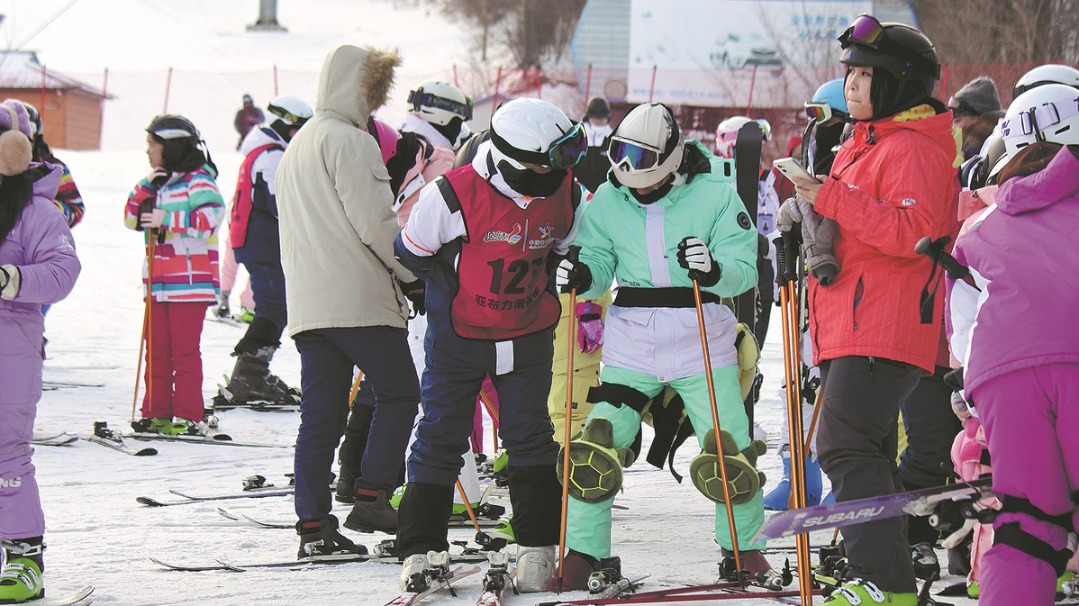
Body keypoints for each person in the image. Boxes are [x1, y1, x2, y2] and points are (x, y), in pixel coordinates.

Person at [785, 15, 959, 605]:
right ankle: (890, 581)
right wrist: (807, 214)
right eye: (851, 72)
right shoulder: (867, 143)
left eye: (867, 74)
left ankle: (883, 583)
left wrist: (827, 195)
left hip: (883, 325)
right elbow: (847, 219)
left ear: (900, 84)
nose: (853, 85)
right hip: (850, 322)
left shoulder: (912, 149)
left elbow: (916, 232)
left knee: (843, 444)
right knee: (869, 450)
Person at [556, 102, 767, 587]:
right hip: (632, 344)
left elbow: (744, 267)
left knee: (727, 447)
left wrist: (713, 269)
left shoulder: (714, 192)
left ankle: (742, 546)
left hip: (700, 339)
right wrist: (582, 274)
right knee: (599, 442)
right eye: (621, 156)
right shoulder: (609, 200)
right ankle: (585, 552)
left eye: (642, 159)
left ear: (670, 159)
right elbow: (598, 258)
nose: (630, 173)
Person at [393, 97, 587, 592]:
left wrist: (572, 270)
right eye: (552, 160)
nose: (561, 172)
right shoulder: (452, 195)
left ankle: (538, 545)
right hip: (461, 334)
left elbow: (570, 247)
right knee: (440, 432)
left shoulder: (568, 190)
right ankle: (421, 548)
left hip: (528, 333)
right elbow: (411, 252)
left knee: (529, 434)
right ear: (517, 159)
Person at [276, 45, 422, 557]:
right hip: (358, 298)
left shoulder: (298, 144)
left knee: (319, 417)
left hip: (310, 305)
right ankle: (373, 494)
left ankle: (312, 527)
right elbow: (378, 225)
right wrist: (413, 276)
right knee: (401, 392)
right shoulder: (351, 142)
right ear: (367, 89)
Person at [946, 83, 1079, 606]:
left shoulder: (980, 225)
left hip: (1006, 374)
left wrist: (973, 399)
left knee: (1027, 526)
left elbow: (965, 327)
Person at [0, 98, 81, 604]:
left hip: (11, 343)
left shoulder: (37, 210)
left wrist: (11, 279)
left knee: (6, 451)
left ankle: (24, 556)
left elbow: (62, 271)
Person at [764, 78, 852, 512]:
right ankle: (798, 475)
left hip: (844, 291)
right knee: (795, 384)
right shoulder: (815, 154)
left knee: (834, 388)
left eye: (821, 115)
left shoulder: (856, 159)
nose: (814, 126)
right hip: (807, 290)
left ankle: (840, 477)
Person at [123, 114, 224, 436]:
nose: (148, 150)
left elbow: (210, 217)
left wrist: (166, 218)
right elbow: (130, 217)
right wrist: (146, 185)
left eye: (153, 144)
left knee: (183, 351)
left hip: (190, 284)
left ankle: (188, 413)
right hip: (158, 283)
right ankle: (157, 412)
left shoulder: (200, 180)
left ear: (172, 145)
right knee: (156, 351)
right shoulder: (158, 181)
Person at [216, 95, 312, 408]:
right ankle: (248, 376)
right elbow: (281, 203)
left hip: (259, 242)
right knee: (274, 308)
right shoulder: (271, 156)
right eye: (298, 128)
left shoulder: (264, 151)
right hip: (264, 244)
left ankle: (251, 373)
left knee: (275, 307)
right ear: (285, 125)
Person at [399, 81, 472, 151]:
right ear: (443, 115)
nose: (457, 128)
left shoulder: (396, 139)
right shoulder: (436, 155)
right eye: (457, 120)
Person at [948, 76, 1003, 160]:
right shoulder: (966, 152)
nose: (953, 128)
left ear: (978, 118)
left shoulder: (997, 149)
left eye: (957, 121)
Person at [574, 96, 614, 192]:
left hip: (604, 190)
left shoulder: (612, 138)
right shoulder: (578, 136)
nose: (598, 120)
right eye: (595, 117)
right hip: (579, 189)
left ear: (607, 117)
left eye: (601, 117)